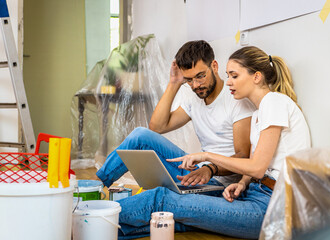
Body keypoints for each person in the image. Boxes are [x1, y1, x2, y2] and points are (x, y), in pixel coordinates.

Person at [114, 46, 311, 239]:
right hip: (256, 193)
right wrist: (242, 183)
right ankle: (103, 230)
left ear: (256, 77)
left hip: (270, 207)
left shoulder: (274, 102)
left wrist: (207, 157)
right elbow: (260, 166)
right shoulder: (260, 111)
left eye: (234, 76)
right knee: (173, 219)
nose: (229, 82)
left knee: (161, 198)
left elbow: (258, 167)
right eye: (228, 75)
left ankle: (94, 219)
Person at [96, 40, 255, 190]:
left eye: (200, 76)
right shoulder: (194, 97)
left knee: (155, 192)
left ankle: (94, 188)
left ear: (214, 66)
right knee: (140, 136)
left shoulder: (236, 99)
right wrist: (174, 83)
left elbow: (242, 156)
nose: (196, 85)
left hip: (217, 181)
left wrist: (210, 168)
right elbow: (157, 127)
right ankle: (96, 185)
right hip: (197, 170)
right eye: (189, 80)